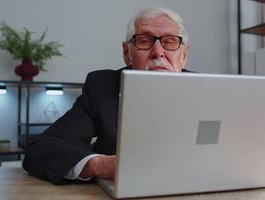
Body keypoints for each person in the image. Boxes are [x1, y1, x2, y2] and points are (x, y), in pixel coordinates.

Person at [23, 7, 190, 184]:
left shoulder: (211, 91)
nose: (158, 51)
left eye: (170, 42)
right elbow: (40, 150)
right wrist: (98, 165)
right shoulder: (103, 87)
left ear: (184, 55)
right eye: (144, 41)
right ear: (127, 53)